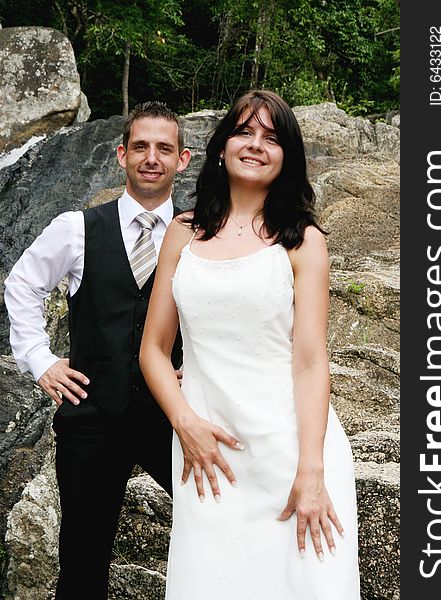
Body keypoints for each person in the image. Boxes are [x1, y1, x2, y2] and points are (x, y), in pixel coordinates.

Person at [140, 90, 361, 599]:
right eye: (245, 131)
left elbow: (308, 362)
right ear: (221, 146)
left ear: (287, 158)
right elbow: (153, 349)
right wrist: (185, 422)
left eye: (272, 137)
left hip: (290, 452)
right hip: (207, 454)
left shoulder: (303, 241)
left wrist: (311, 470)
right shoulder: (182, 233)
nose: (257, 144)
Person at [3, 101, 196, 600]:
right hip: (90, 417)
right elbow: (21, 286)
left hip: (174, 418)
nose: (151, 157)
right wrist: (41, 361)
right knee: (83, 565)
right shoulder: (76, 227)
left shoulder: (201, 235)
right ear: (120, 155)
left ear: (183, 159)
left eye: (164, 148)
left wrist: (197, 372)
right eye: (140, 147)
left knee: (218, 526)